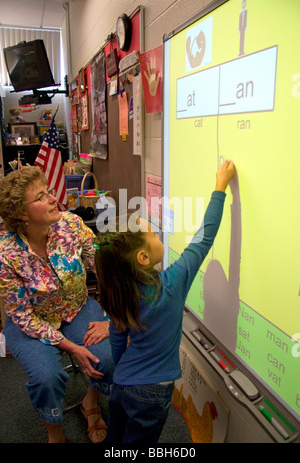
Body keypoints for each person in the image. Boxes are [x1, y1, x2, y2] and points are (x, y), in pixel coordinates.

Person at [94, 160, 235, 444]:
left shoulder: (120, 294)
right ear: (143, 258)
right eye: (154, 236)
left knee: (116, 437)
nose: (159, 236)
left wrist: (124, 371)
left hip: (122, 382)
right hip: (152, 392)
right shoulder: (171, 286)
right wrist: (220, 186)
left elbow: (117, 340)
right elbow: (203, 238)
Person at [0, 166, 114, 444]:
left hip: (75, 307)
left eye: (49, 191)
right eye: (42, 196)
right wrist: (72, 347)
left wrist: (111, 316)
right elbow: (22, 315)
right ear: (22, 214)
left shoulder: (71, 225)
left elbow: (103, 269)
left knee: (107, 357)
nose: (53, 199)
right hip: (31, 321)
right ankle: (55, 433)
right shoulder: (6, 253)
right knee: (46, 378)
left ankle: (90, 403)